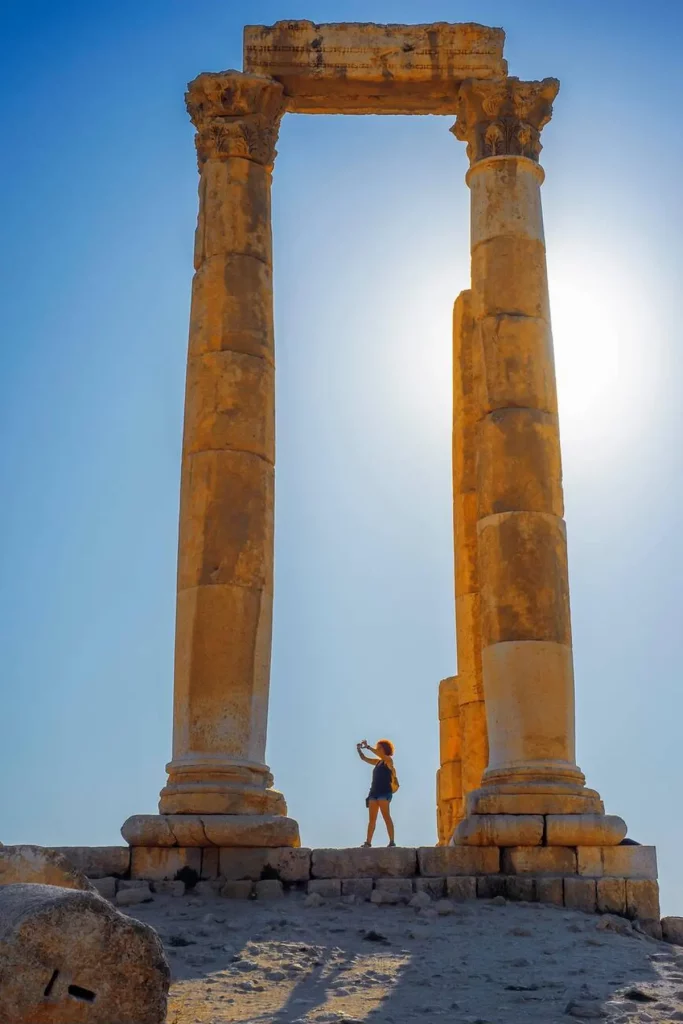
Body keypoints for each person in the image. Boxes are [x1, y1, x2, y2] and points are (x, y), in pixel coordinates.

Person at [356, 738, 398, 847]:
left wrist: (368, 747)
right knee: (372, 820)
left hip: (384, 792)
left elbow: (381, 756)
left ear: (385, 749)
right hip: (374, 792)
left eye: (379, 748)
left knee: (386, 816)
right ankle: (368, 842)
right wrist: (359, 749)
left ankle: (392, 841)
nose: (377, 750)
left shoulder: (388, 760)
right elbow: (364, 758)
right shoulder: (377, 762)